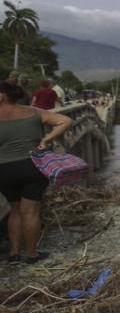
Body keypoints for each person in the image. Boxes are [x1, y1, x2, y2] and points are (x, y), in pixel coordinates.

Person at [0, 81, 72, 263]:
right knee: (30, 212)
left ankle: (14, 253)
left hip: (4, 170)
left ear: (2, 95)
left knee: (15, 210)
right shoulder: (33, 112)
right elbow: (66, 121)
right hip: (32, 166)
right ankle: (32, 254)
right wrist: (46, 140)